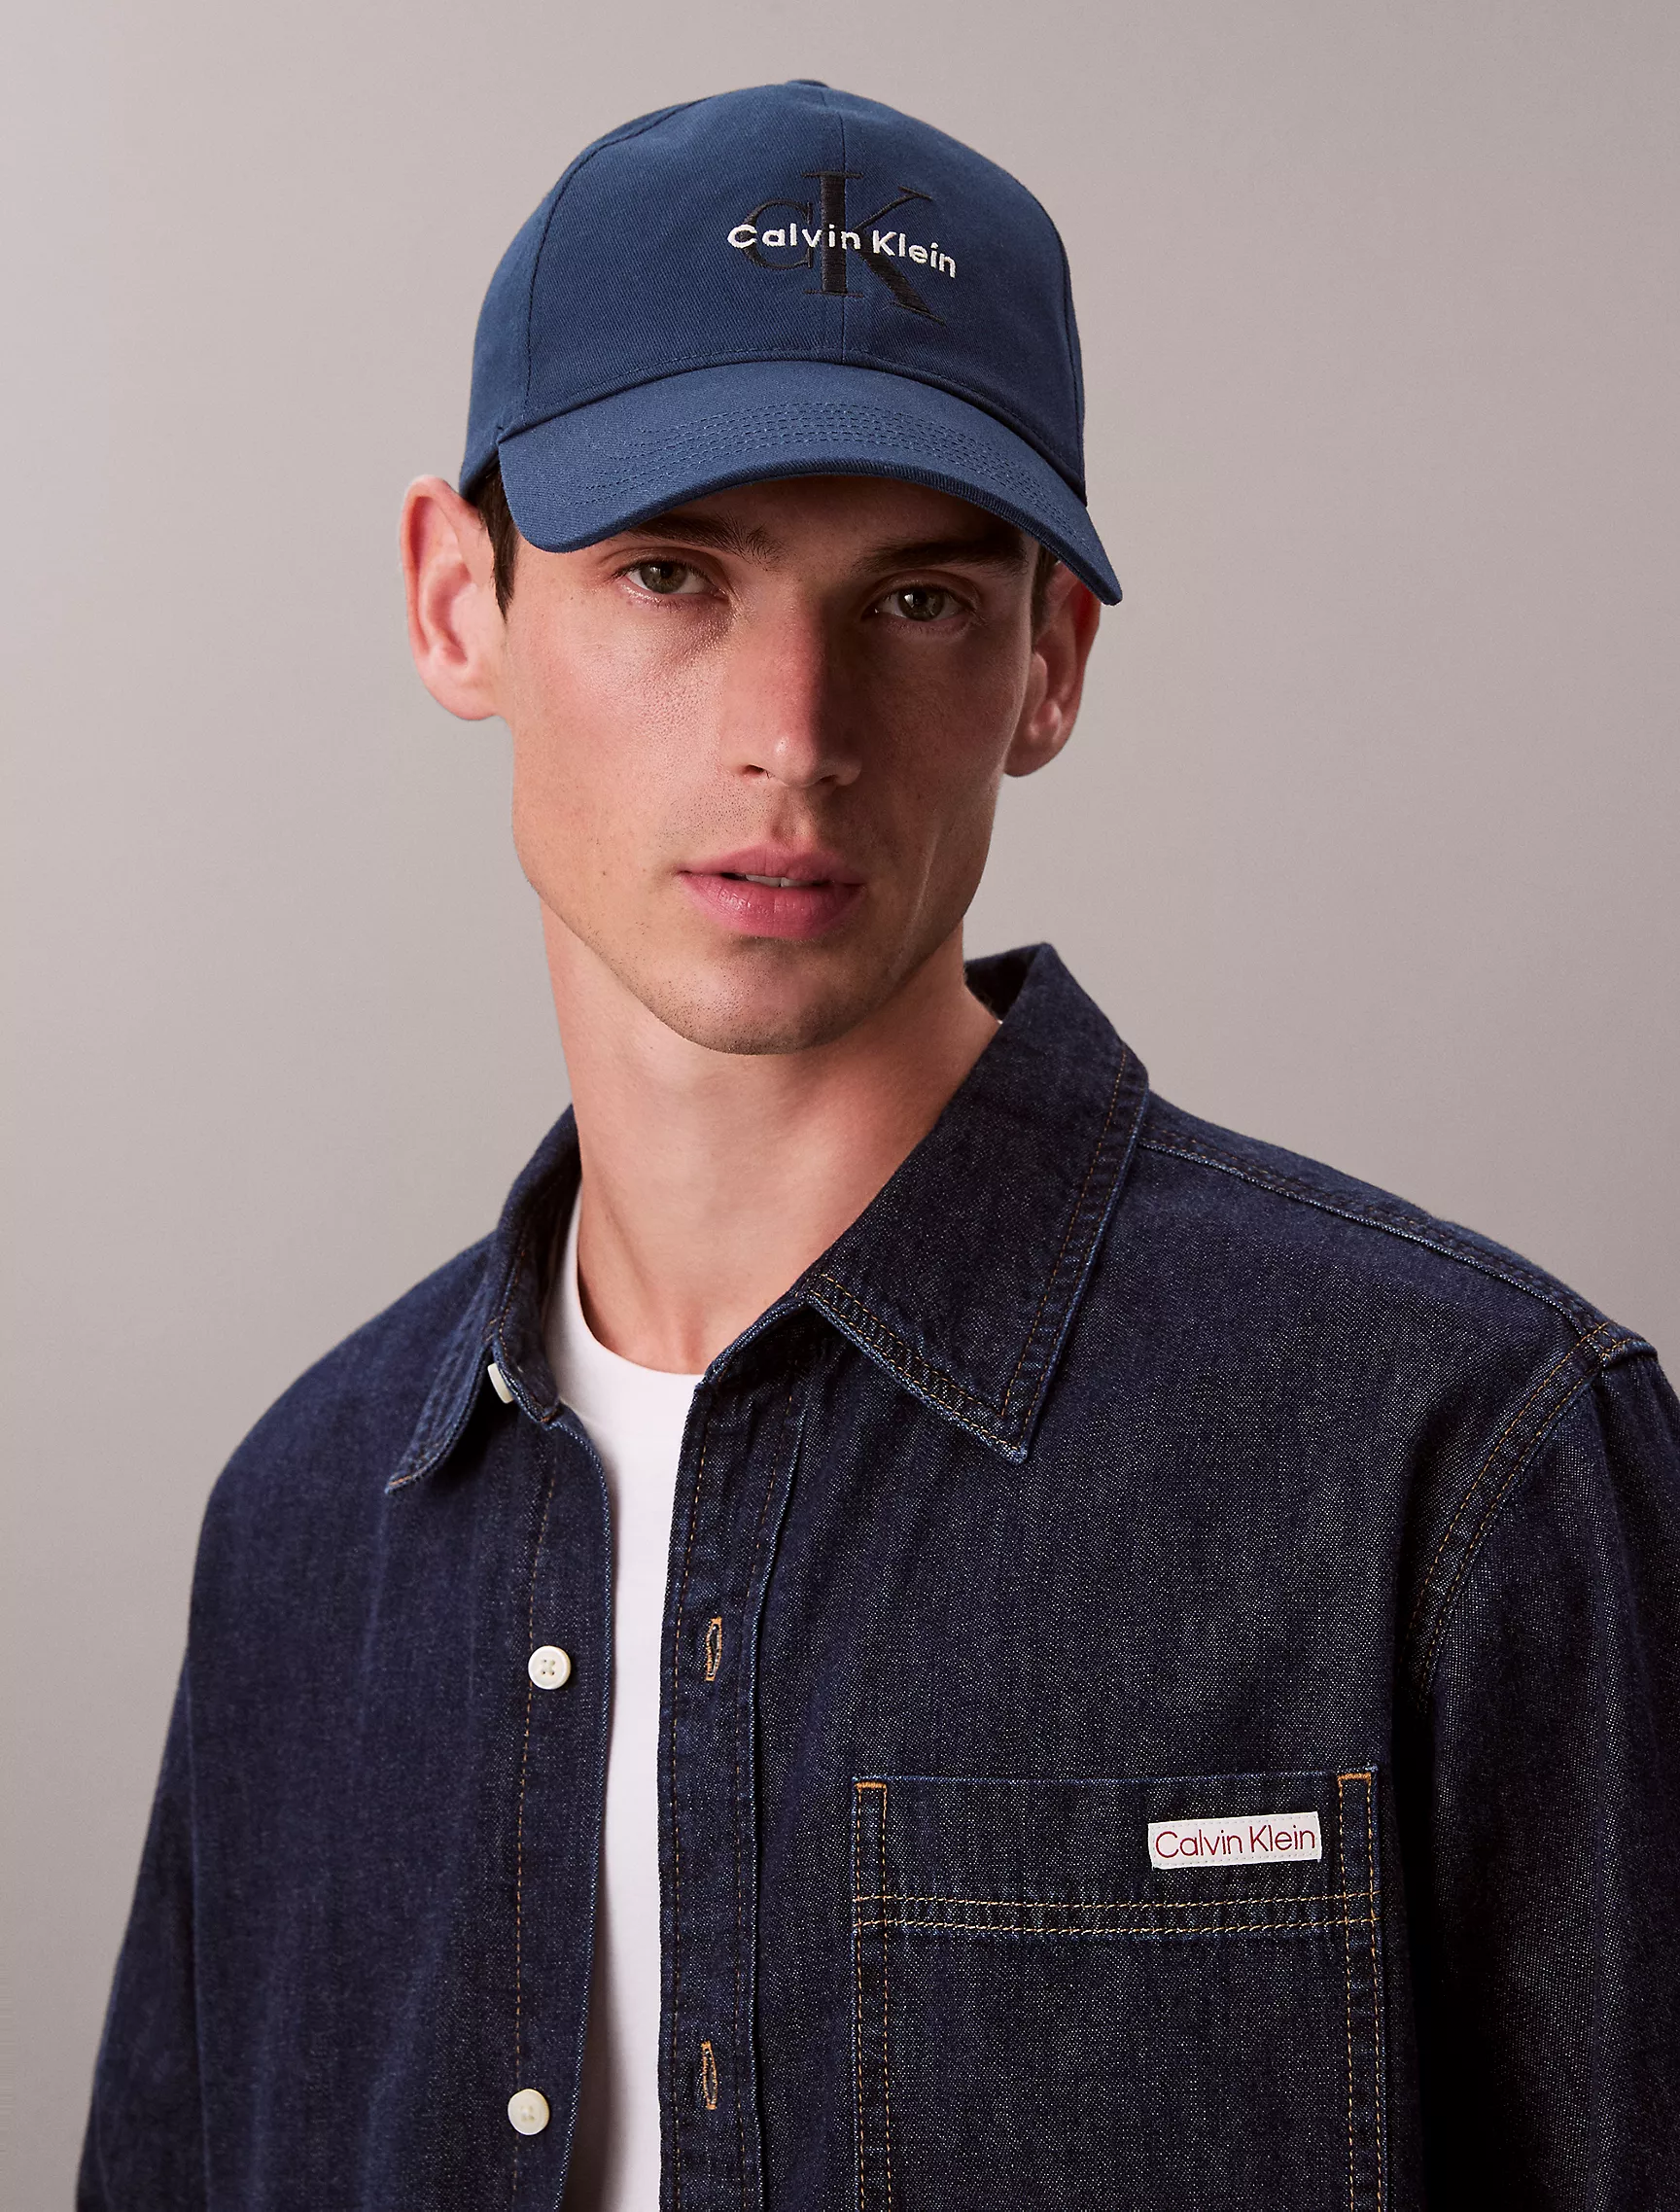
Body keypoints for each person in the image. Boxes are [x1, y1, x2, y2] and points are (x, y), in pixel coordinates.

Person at [79, 79, 1679, 2212]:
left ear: (1050, 662)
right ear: (460, 604)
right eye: (673, 575)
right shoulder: (308, 1529)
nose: (794, 734)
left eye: (916, 602)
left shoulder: (1453, 1461)